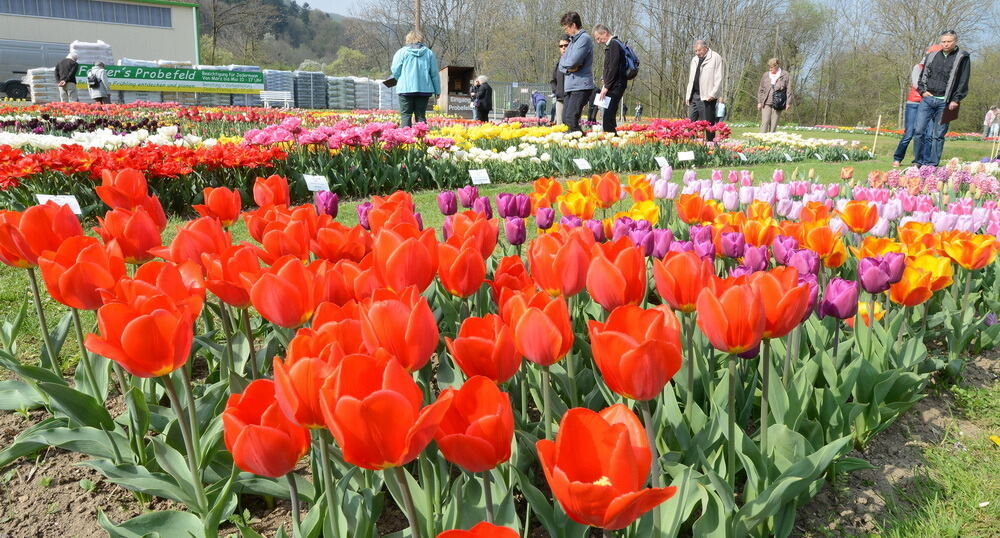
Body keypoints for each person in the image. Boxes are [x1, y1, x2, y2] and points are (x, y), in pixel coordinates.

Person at [913, 30, 971, 167]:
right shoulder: (932, 55)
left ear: (955, 42)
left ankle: (932, 164)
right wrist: (922, 92)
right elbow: (922, 76)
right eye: (943, 41)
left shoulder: (963, 57)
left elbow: (964, 80)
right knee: (919, 131)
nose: (946, 44)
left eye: (949, 41)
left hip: (947, 102)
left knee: (938, 135)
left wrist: (956, 99)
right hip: (928, 99)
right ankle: (918, 161)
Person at [893, 45, 941, 166]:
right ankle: (898, 157)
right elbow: (916, 84)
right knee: (910, 133)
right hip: (915, 103)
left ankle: (922, 161)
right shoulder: (918, 67)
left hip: (929, 104)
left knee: (928, 135)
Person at [391, 31, 441, 127]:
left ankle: (405, 139)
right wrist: (437, 90)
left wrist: (398, 78)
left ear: (408, 39)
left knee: (406, 116)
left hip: (405, 89)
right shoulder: (429, 53)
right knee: (421, 116)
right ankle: (421, 139)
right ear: (421, 39)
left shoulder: (401, 52)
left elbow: (395, 70)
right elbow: (434, 73)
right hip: (424, 90)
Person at [558, 11, 595, 132]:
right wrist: (568, 67)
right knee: (565, 119)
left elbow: (572, 62)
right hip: (570, 86)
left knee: (571, 119)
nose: (566, 31)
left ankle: (580, 146)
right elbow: (562, 63)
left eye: (567, 28)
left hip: (580, 85)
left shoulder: (584, 39)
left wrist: (567, 65)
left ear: (573, 25)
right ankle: (573, 145)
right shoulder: (572, 41)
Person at [685, 40, 725, 142]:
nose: (697, 53)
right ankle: (691, 144)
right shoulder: (694, 60)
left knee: (708, 124)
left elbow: (719, 77)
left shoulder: (716, 58)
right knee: (691, 123)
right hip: (694, 95)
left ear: (705, 48)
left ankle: (710, 146)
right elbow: (691, 79)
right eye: (695, 51)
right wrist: (688, 95)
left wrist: (713, 93)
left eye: (699, 50)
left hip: (707, 96)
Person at [592, 24, 627, 133]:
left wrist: (606, 86)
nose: (598, 41)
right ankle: (613, 141)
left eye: (598, 38)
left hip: (615, 86)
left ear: (605, 33)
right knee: (609, 116)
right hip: (615, 84)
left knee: (607, 117)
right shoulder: (615, 44)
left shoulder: (614, 45)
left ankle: (611, 141)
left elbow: (613, 67)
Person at [756, 58, 790, 133]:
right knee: (765, 122)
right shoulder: (765, 75)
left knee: (774, 124)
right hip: (766, 102)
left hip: (778, 103)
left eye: (771, 67)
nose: (770, 69)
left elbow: (789, 90)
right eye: (769, 67)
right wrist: (759, 102)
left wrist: (788, 103)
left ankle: (771, 141)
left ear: (776, 66)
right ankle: (761, 141)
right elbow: (760, 89)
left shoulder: (785, 75)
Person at [550, 34, 570, 125]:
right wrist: (556, 91)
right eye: (561, 46)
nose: (563, 48)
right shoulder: (558, 64)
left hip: (571, 99)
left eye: (566, 45)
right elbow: (553, 80)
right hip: (560, 99)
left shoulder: (575, 62)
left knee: (570, 125)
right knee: (560, 126)